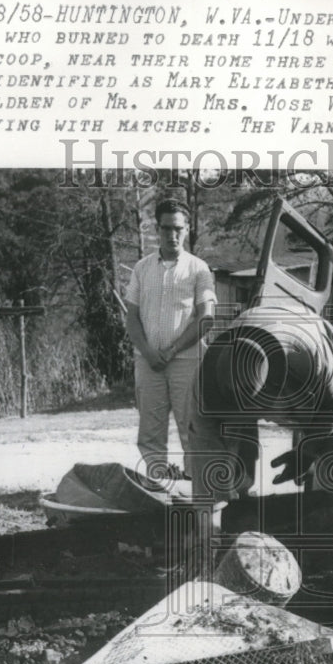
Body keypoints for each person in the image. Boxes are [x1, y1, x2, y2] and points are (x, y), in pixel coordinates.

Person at [188, 302, 333, 504]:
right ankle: (239, 508)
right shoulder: (207, 386)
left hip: (325, 366)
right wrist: (211, 511)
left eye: (261, 407)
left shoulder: (313, 362)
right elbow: (205, 447)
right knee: (229, 450)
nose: (263, 416)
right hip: (261, 350)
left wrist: (307, 450)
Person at [124, 199, 216, 480]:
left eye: (177, 228)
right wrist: (149, 353)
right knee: (150, 433)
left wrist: (173, 350)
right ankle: (157, 485)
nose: (171, 235)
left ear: (187, 229)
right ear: (156, 229)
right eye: (165, 228)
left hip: (187, 362)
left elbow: (206, 318)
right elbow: (131, 317)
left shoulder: (199, 269)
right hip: (148, 363)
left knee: (192, 429)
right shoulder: (141, 268)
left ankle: (195, 489)